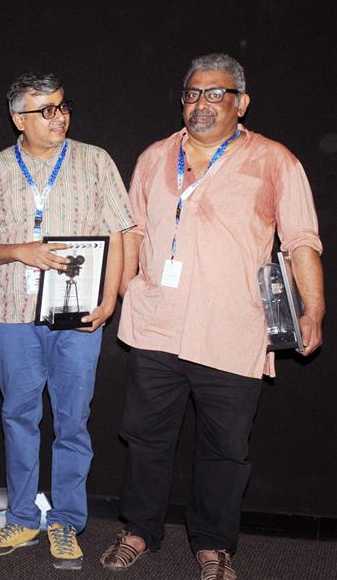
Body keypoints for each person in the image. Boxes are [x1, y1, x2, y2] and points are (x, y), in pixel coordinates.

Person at [99, 53, 324, 580]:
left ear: (240, 103)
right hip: (157, 326)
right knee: (145, 439)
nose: (202, 103)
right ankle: (137, 530)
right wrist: (128, 288)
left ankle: (214, 545)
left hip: (232, 331)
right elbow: (133, 231)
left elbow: (301, 241)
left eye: (216, 93)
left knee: (225, 450)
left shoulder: (274, 161)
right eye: (193, 93)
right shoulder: (155, 157)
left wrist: (313, 310)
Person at [0, 72, 133, 569]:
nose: (58, 117)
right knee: (18, 418)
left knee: (72, 423)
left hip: (77, 315)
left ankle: (65, 523)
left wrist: (108, 302)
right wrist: (23, 250)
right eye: (46, 110)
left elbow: (121, 233)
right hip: (14, 315)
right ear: (19, 118)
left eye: (62, 106)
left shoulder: (95, 160)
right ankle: (21, 518)